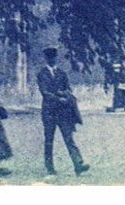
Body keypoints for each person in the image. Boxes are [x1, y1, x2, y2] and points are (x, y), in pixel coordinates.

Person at [37, 47, 89, 176]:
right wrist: (59, 98)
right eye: (50, 57)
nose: (52, 59)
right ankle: (50, 167)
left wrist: (65, 94)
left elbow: (69, 89)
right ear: (46, 58)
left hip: (63, 112)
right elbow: (44, 93)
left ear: (56, 58)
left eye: (54, 57)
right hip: (49, 111)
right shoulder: (42, 74)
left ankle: (78, 164)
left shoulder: (61, 73)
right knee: (49, 140)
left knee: (69, 138)